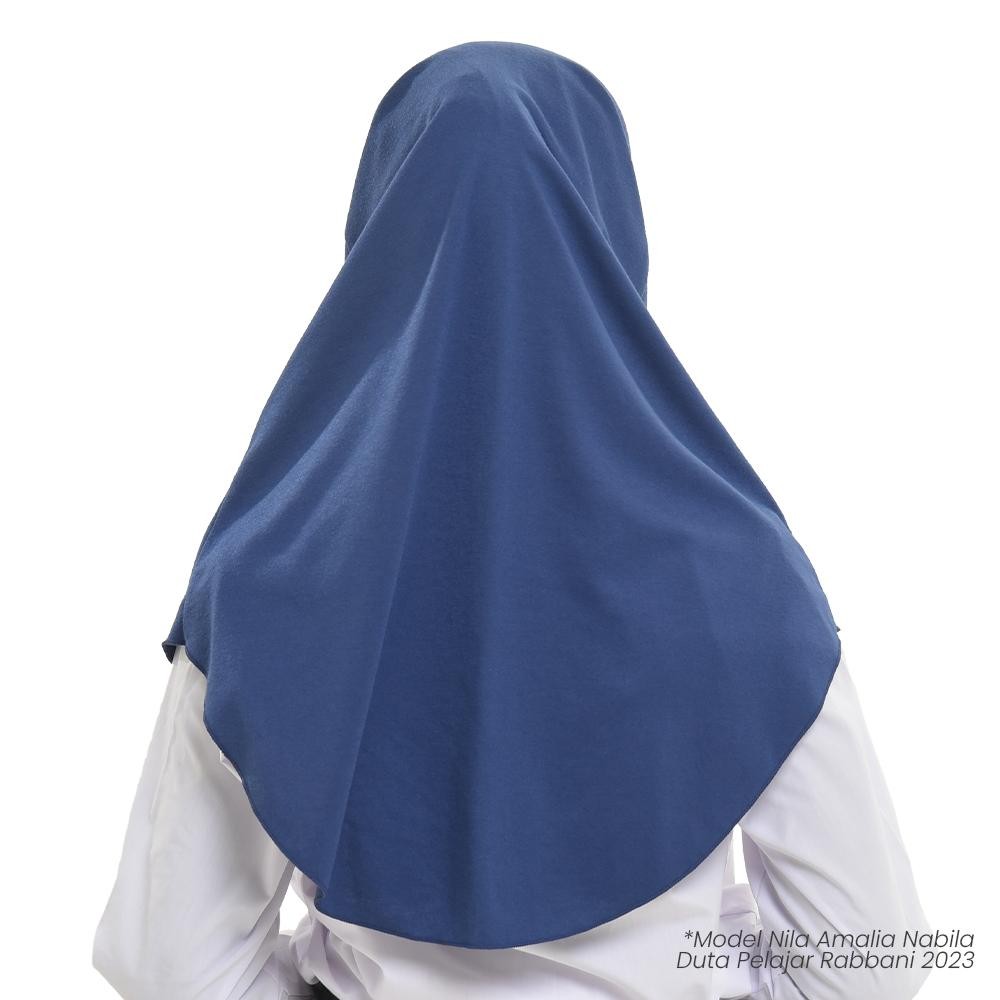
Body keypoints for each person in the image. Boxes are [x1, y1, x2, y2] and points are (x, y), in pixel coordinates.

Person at [94, 42, 930, 1000]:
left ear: (381, 237)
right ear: (610, 229)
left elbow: (169, 967)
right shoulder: (744, 575)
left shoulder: (264, 575)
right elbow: (872, 959)